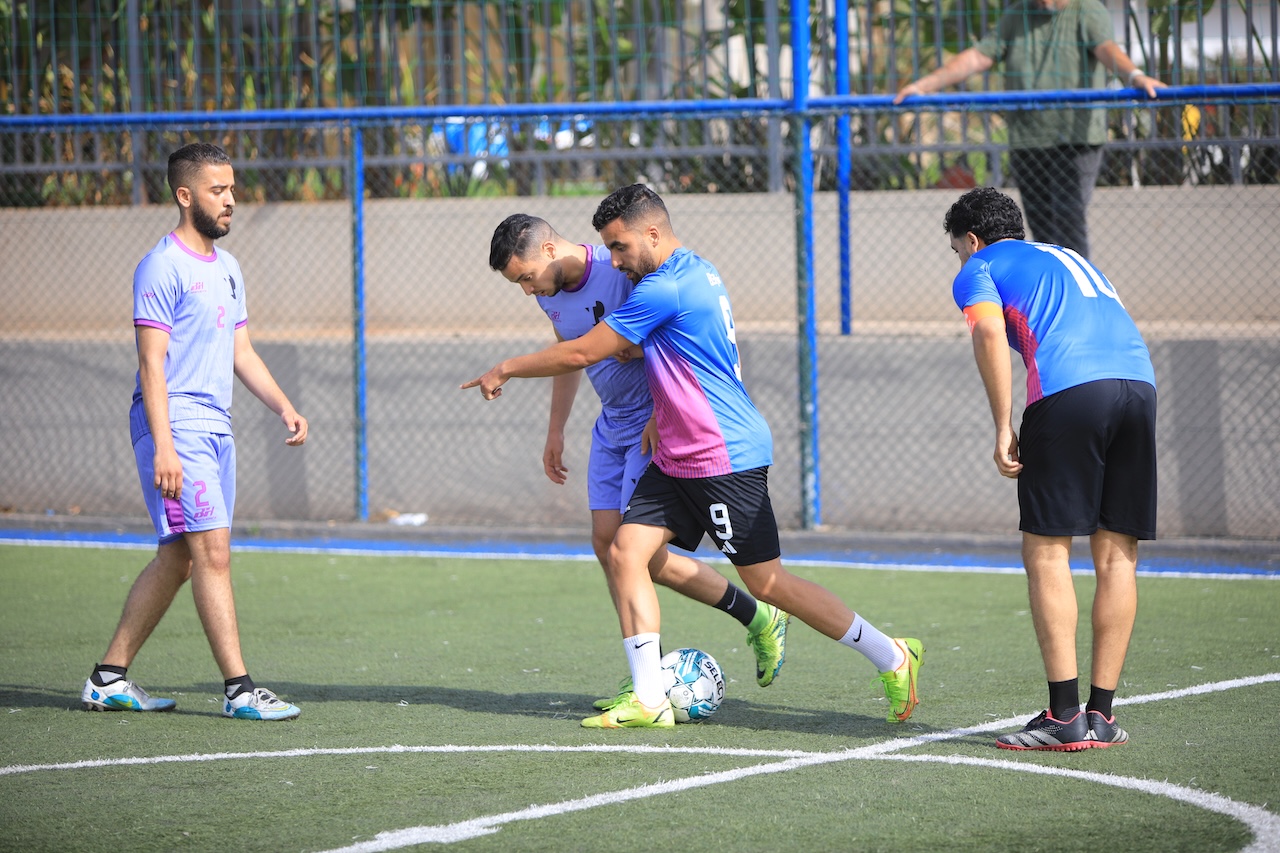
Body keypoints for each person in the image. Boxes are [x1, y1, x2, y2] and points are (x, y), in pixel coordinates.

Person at [465, 185, 924, 729]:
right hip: (675, 452)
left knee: (769, 584)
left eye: (619, 247)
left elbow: (586, 351)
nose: (615, 261)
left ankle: (893, 655)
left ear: (651, 233)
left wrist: (506, 367)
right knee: (624, 552)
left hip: (720, 454)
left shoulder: (667, 287)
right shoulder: (689, 272)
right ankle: (648, 697)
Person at [488, 214, 791, 697]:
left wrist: (659, 411)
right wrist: (555, 429)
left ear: (548, 251)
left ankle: (657, 678)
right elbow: (569, 354)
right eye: (518, 284)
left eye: (526, 277)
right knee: (608, 545)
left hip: (654, 423)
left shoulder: (623, 270)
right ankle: (731, 630)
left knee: (633, 554)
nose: (528, 291)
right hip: (611, 425)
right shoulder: (550, 292)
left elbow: (668, 340)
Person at [81, 142, 307, 721]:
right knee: (212, 552)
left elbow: (241, 351)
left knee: (179, 558)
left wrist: (283, 406)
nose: (230, 200)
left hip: (215, 425)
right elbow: (151, 363)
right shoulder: (161, 266)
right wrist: (164, 446)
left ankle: (108, 678)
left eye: (232, 188)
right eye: (217, 190)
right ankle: (239, 690)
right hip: (175, 423)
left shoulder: (228, 269)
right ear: (185, 195)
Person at [944, 187, 1156, 750]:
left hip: (1069, 391)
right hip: (1139, 387)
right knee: (1116, 552)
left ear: (972, 240)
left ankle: (1064, 716)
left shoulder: (980, 266)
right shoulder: (1065, 255)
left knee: (1046, 549)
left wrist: (1002, 425)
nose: (960, 263)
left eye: (957, 251)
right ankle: (1101, 715)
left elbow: (988, 331)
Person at [895, 0, 1166, 259]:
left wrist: (1136, 77)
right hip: (1028, 140)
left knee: (1069, 222)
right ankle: (1046, 288)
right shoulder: (1017, 15)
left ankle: (1075, 288)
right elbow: (978, 56)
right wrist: (923, 86)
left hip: (1075, 140)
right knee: (1041, 230)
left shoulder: (1088, 10)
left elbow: (1107, 49)